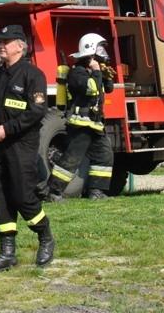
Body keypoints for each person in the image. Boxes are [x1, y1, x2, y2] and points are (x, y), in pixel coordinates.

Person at [0, 24, 54, 273]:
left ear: (20, 46)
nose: (0, 45)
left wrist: (6, 129)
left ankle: (45, 237)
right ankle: (7, 253)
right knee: (1, 197)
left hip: (21, 145)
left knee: (23, 196)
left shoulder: (33, 75)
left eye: (5, 42)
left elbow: (36, 112)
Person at [47, 33, 115, 201]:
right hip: (81, 124)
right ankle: (53, 192)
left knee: (104, 156)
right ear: (90, 51)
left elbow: (108, 89)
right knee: (72, 158)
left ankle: (96, 191)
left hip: (95, 125)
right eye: (99, 49)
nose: (102, 53)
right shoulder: (77, 73)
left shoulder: (92, 71)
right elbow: (91, 89)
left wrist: (105, 75)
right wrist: (97, 72)